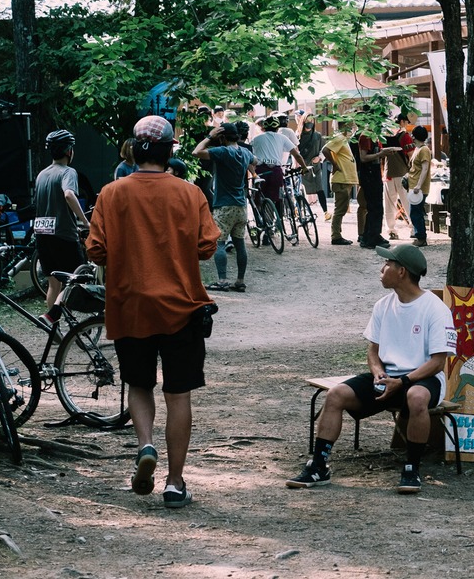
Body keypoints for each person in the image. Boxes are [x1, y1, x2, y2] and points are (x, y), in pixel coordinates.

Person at [85, 115, 221, 509]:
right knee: (179, 394)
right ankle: (176, 482)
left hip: (130, 307)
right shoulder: (189, 193)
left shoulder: (111, 194)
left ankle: (145, 445)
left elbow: (96, 250)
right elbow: (207, 246)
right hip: (181, 306)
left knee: (139, 384)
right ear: (169, 153)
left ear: (133, 151)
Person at [286, 243, 455, 493]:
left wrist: (404, 381)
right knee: (335, 395)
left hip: (422, 378)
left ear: (401, 272)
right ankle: (319, 466)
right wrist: (377, 371)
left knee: (416, 396)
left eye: (387, 264)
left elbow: (438, 362)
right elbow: (373, 351)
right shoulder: (383, 305)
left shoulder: (435, 309)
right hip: (387, 377)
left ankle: (412, 469)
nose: (381, 268)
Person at [34, 129, 91, 322]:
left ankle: (52, 328)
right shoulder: (68, 172)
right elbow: (68, 195)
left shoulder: (42, 175)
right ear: (69, 151)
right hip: (63, 235)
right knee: (76, 279)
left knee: (54, 283)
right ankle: (54, 315)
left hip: (42, 233)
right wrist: (84, 221)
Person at [193, 122, 257, 292]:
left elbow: (196, 152)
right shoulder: (245, 152)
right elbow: (256, 161)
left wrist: (209, 137)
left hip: (224, 205)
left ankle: (222, 281)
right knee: (240, 243)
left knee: (219, 243)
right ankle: (240, 281)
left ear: (221, 137)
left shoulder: (222, 152)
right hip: (241, 205)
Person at [251, 115, 309, 212]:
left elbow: (250, 156)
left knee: (259, 197)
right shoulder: (282, 137)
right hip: (276, 171)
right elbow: (297, 155)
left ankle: (262, 221)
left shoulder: (256, 139)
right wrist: (304, 167)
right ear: (277, 128)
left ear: (264, 127)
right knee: (278, 197)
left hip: (260, 171)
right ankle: (280, 222)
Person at [356, 130, 400, 249]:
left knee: (376, 207)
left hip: (374, 174)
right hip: (369, 175)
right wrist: (380, 154)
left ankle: (370, 235)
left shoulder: (374, 135)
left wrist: (383, 152)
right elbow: (363, 157)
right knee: (374, 207)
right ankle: (371, 237)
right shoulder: (366, 136)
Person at [323, 122, 359, 245]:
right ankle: (336, 236)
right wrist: (335, 164)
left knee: (341, 209)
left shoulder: (343, 139)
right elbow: (325, 150)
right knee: (340, 209)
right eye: (351, 127)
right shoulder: (339, 138)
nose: (353, 129)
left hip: (345, 179)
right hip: (341, 179)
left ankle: (337, 234)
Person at [382, 112, 414, 240]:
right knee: (407, 203)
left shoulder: (384, 136)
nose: (407, 124)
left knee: (389, 204)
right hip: (403, 174)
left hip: (388, 173)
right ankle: (413, 229)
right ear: (402, 122)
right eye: (406, 122)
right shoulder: (405, 136)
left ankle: (391, 231)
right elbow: (411, 155)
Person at [405, 125, 433, 247]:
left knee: (416, 212)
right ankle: (419, 235)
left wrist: (418, 185)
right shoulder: (418, 149)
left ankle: (421, 237)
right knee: (415, 212)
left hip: (418, 188)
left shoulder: (424, 150)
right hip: (414, 185)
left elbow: (425, 168)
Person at [297, 115, 329, 215]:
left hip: (315, 167)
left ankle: (326, 212)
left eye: (312, 120)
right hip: (302, 167)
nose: (310, 122)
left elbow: (324, 149)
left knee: (319, 188)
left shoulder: (317, 136)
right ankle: (298, 211)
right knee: (301, 189)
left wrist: (319, 158)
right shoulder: (298, 136)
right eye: (307, 120)